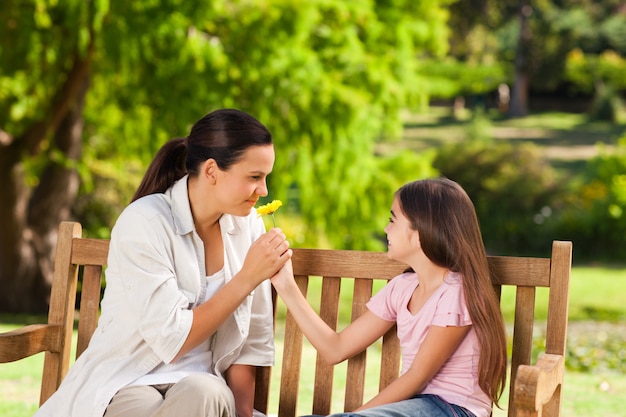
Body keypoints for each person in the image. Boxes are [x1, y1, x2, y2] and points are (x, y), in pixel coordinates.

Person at [36, 109, 292, 417]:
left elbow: (252, 340)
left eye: (265, 178)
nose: (263, 191)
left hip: (203, 391)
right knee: (146, 406)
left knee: (203, 392)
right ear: (211, 171)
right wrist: (246, 278)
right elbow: (174, 338)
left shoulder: (247, 226)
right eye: (254, 177)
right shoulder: (145, 221)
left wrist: (243, 415)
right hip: (126, 381)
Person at [271, 178, 507, 417]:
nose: (386, 229)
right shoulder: (402, 288)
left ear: (420, 233)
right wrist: (286, 285)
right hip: (413, 407)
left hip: (454, 409)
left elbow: (417, 377)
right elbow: (335, 349)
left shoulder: (456, 292)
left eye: (393, 220)